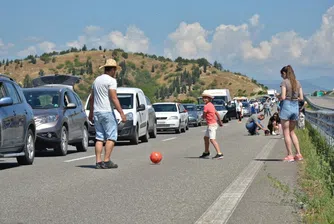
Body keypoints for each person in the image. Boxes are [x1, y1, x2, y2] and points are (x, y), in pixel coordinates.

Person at [88, 59, 127, 169]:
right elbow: (114, 98)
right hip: (107, 111)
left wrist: (91, 113)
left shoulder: (96, 80)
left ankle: (98, 162)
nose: (115, 72)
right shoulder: (111, 81)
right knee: (111, 136)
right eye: (115, 70)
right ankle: (107, 160)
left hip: (97, 111)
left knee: (99, 137)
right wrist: (121, 113)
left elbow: (91, 98)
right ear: (113, 69)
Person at [279, 65, 303, 162]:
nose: (282, 77)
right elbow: (301, 98)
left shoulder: (284, 82)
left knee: (286, 132)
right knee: (292, 132)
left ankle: (290, 155)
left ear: (285, 73)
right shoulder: (298, 83)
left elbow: (283, 97)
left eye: (282, 75)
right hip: (295, 107)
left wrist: (278, 96)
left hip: (286, 107)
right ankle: (298, 154)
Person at [199, 91, 224, 159]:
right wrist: (220, 122)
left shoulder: (206, 106)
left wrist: (202, 117)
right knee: (206, 138)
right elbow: (217, 114)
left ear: (209, 99)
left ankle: (219, 153)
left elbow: (204, 116)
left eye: (206, 98)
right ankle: (206, 152)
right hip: (213, 124)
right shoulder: (211, 105)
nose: (204, 99)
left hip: (211, 125)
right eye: (203, 98)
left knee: (212, 139)